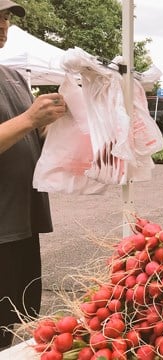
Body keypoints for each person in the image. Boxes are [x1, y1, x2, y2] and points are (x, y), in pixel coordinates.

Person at [0, 0, 68, 349]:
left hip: (23, 223)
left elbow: (30, 137)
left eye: (6, 17)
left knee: (15, 317)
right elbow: (22, 124)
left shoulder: (13, 76)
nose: (3, 24)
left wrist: (55, 121)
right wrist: (29, 119)